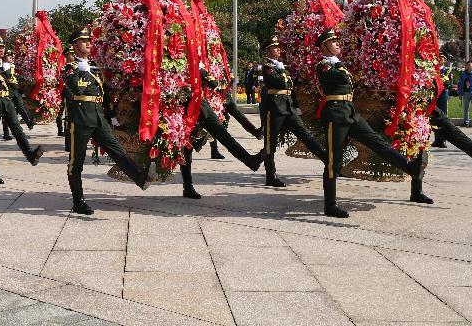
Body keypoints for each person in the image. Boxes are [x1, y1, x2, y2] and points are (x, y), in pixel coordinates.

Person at [316, 28, 425, 218]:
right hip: (335, 114)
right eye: (333, 42)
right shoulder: (324, 65)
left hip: (349, 111)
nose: (338, 44)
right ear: (324, 47)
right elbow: (337, 78)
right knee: (334, 161)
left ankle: (410, 167)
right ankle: (330, 205)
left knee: (376, 142)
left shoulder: (337, 64)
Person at [63, 26, 149, 215]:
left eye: (88, 40)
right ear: (74, 45)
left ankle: (139, 177)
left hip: (98, 117)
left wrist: (111, 116)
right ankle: (79, 201)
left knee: (116, 149)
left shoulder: (92, 65)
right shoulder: (70, 68)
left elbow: (103, 94)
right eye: (83, 41)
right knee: (75, 163)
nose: (88, 43)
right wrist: (81, 71)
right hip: (80, 119)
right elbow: (77, 89)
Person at [179, 66, 265, 199]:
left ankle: (251, 160)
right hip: (187, 109)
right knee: (187, 148)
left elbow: (213, 83)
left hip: (200, 106)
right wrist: (202, 71)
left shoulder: (193, 60)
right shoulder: (185, 62)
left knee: (224, 136)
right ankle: (187, 187)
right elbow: (213, 83)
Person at [258, 35, 327, 188]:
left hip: (287, 107)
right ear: (268, 50)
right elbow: (282, 82)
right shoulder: (268, 66)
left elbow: (290, 87)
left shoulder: (280, 66)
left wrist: (296, 105)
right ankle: (270, 175)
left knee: (305, 134)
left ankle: (328, 161)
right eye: (275, 48)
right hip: (274, 108)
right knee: (271, 143)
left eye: (279, 47)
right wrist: (284, 73)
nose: (278, 50)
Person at [0, 36, 44, 184]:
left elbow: (15, 86)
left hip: (7, 101)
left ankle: (30, 154)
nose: (1, 50)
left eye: (2, 47)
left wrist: (9, 72)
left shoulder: (8, 66)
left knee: (18, 130)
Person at [3, 48, 35, 131]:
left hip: (15, 90)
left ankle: (28, 123)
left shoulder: (12, 65)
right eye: (8, 56)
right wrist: (17, 86)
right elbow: (9, 78)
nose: (11, 57)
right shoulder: (5, 65)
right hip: (9, 90)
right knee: (9, 112)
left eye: (11, 56)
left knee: (20, 107)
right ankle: (7, 132)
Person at [431, 66, 451, 148]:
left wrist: (445, 81)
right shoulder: (434, 69)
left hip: (443, 95)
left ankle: (443, 140)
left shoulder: (446, 70)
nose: (441, 59)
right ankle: (437, 139)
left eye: (443, 58)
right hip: (435, 95)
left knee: (443, 117)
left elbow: (450, 84)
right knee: (435, 117)